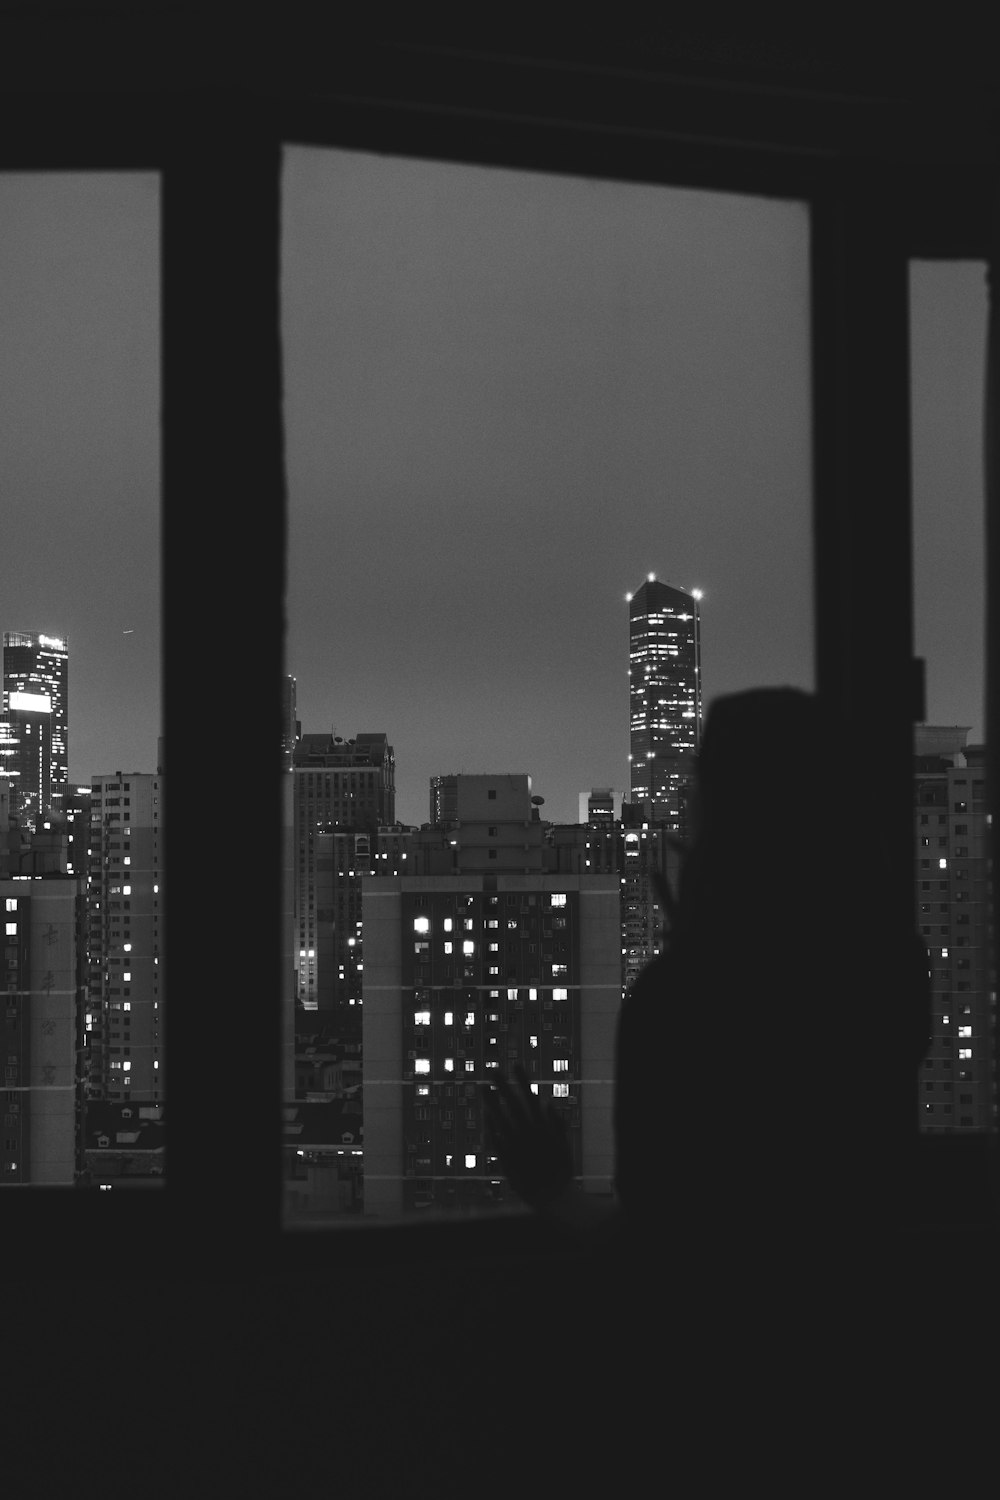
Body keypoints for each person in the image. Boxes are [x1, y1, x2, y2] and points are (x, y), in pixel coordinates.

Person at [484, 688, 932, 1255]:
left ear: (721, 809)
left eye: (699, 782)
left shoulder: (682, 1002)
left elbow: (662, 1246)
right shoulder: (889, 978)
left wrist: (552, 1190)